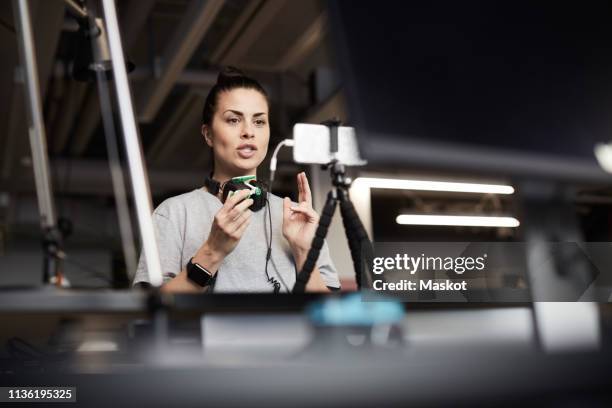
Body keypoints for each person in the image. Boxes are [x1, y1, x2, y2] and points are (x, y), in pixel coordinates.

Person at [132, 67, 340, 293]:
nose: (248, 131)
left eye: (259, 122)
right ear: (208, 134)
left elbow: (331, 319)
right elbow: (151, 314)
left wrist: (304, 252)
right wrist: (212, 251)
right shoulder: (174, 212)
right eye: (233, 120)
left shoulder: (295, 216)